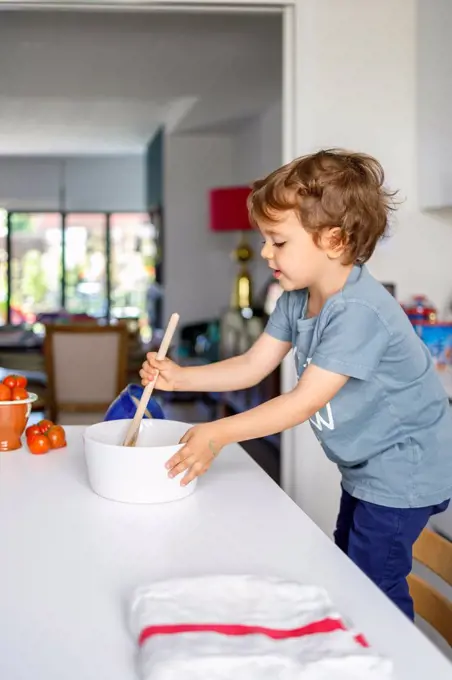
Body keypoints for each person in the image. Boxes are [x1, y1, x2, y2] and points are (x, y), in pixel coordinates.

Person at [140, 148, 452, 620]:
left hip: (405, 466)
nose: (266, 252)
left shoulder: (358, 313)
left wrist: (217, 432)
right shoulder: (296, 300)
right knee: (349, 565)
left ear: (334, 240)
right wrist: (180, 377)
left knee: (372, 584)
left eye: (278, 241)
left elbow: (302, 402)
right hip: (369, 465)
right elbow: (251, 365)